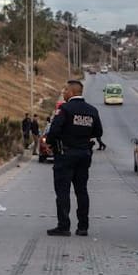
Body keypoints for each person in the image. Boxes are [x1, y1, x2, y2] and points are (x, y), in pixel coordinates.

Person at [45, 80, 103, 237]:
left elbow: (55, 129)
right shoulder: (92, 110)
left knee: (63, 192)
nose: (63, 93)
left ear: (71, 92)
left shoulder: (65, 109)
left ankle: (64, 226)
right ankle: (83, 227)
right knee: (81, 191)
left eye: (65, 90)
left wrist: (50, 143)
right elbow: (98, 132)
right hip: (84, 155)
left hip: (65, 155)